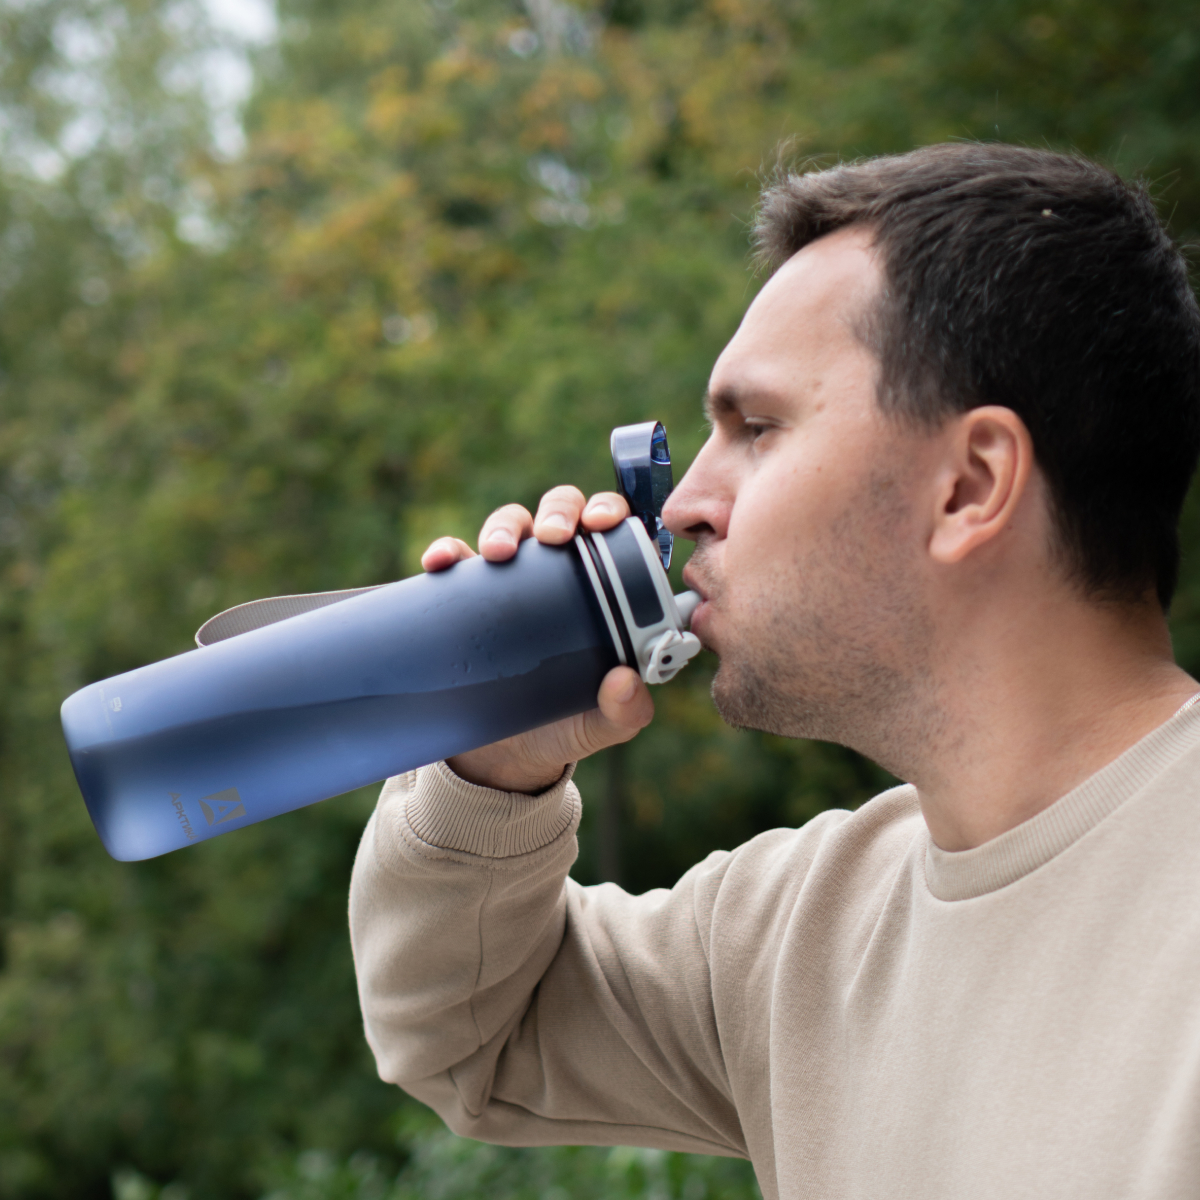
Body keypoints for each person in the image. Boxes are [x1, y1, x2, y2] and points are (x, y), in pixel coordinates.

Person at [349, 143, 1200, 1199]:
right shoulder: (793, 937)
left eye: (756, 428)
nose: (685, 504)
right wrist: (490, 771)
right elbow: (472, 1037)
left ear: (969, 485)